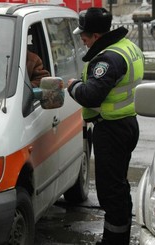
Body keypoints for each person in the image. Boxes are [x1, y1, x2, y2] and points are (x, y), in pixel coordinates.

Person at [67, 7, 143, 245]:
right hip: (127, 123)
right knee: (117, 187)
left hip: (112, 130)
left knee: (111, 192)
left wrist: (73, 86)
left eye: (85, 36)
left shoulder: (108, 58)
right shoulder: (127, 47)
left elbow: (91, 95)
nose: (82, 39)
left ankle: (114, 241)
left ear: (96, 36)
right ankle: (117, 238)